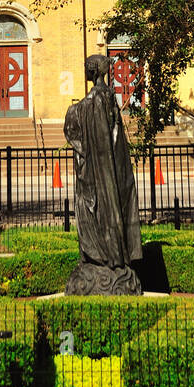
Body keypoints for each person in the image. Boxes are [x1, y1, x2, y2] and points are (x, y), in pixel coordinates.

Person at [63, 55, 142, 294]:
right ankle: (111, 256)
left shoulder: (96, 99)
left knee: (93, 209)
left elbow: (91, 141)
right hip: (105, 171)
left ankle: (107, 257)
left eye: (88, 66)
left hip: (98, 174)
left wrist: (73, 113)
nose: (85, 70)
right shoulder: (106, 97)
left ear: (94, 70)